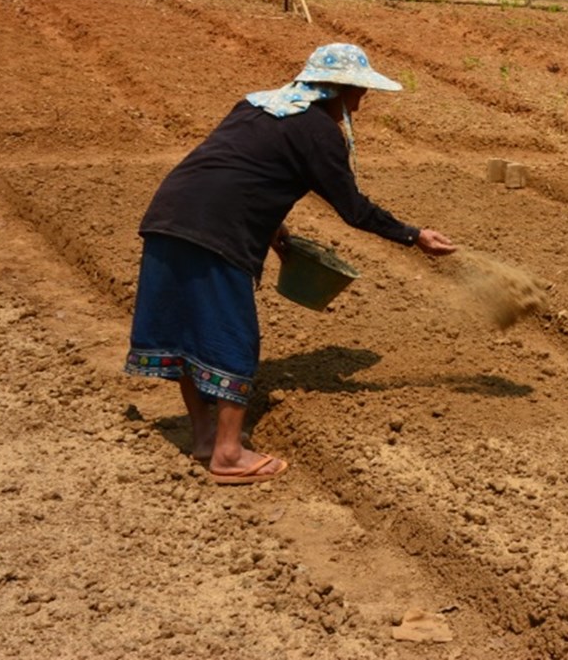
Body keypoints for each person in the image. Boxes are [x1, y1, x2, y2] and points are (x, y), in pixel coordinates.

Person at [124, 42, 456, 484]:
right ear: (338, 89)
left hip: (169, 215)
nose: (363, 99)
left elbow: (238, 165)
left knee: (189, 330)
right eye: (360, 89)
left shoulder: (255, 105)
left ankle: (204, 438)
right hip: (217, 231)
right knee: (233, 337)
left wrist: (271, 223)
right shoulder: (318, 130)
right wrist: (414, 235)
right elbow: (353, 209)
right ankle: (228, 454)